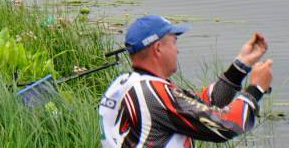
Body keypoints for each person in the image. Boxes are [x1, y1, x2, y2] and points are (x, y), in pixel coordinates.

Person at [99, 15, 272, 147]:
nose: (178, 51)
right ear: (158, 48)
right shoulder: (152, 93)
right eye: (174, 42)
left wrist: (241, 66)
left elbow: (202, 104)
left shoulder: (127, 83)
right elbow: (226, 126)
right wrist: (255, 89)